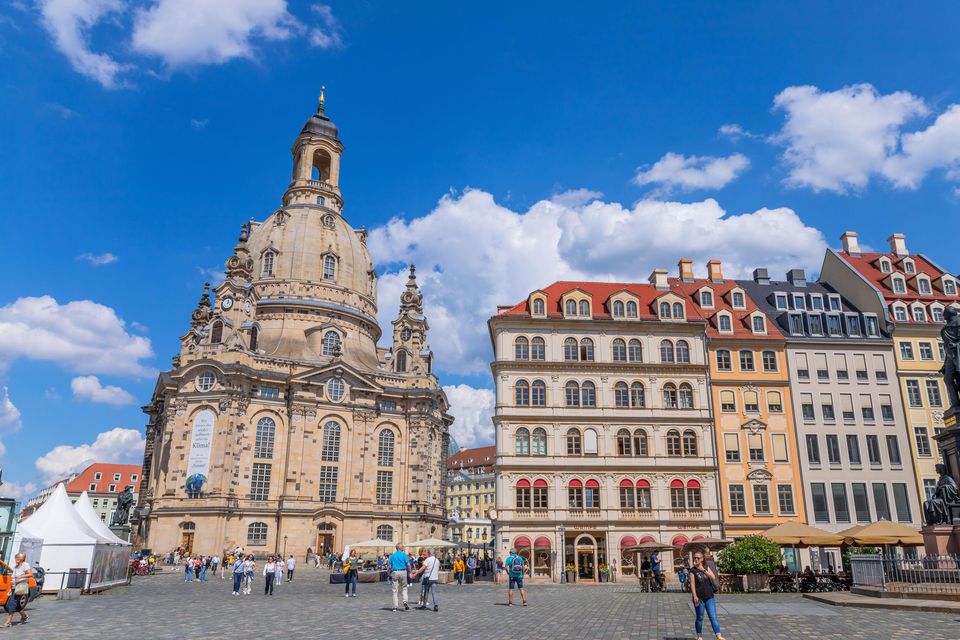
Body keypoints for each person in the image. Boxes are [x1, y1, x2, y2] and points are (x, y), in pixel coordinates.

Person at [690, 551, 724, 640]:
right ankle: (699, 636)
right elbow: (692, 584)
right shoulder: (692, 570)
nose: (696, 559)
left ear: (702, 559)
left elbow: (713, 577)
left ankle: (718, 635)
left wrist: (703, 570)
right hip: (699, 598)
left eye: (698, 558)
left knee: (713, 616)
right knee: (699, 617)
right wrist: (695, 596)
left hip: (710, 597)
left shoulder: (706, 567)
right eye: (694, 558)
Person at [1, 553, 31, 627]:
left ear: (22, 558)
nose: (16, 558)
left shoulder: (25, 565)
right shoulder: (16, 566)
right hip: (14, 587)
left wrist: (21, 576)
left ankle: (8, 622)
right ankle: (24, 617)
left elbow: (30, 574)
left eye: (18, 557)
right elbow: (13, 577)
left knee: (11, 604)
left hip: (20, 587)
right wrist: (11, 588)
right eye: (16, 557)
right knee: (17, 604)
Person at [388, 543, 411, 612]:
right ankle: (405, 601)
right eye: (402, 546)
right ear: (399, 547)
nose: (403, 547)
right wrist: (410, 572)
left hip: (395, 572)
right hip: (403, 571)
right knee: (404, 588)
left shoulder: (392, 556)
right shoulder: (404, 555)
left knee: (395, 590)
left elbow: (389, 566)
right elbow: (408, 564)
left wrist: (388, 573)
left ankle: (395, 606)